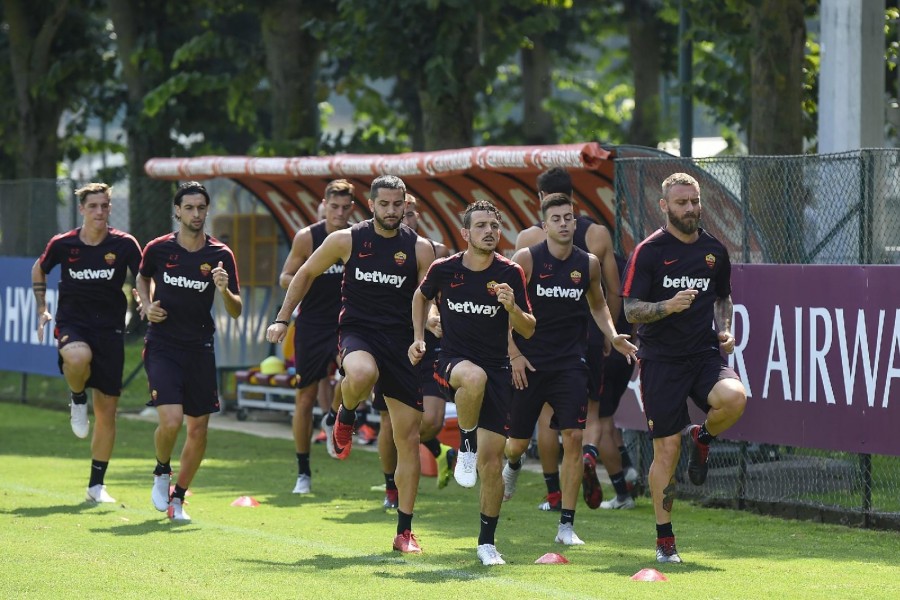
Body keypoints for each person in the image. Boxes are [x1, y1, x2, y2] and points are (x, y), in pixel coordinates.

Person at [267, 175, 435, 554]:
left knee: (407, 438)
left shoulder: (421, 249)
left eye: (398, 204)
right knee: (360, 373)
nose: (392, 211)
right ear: (371, 205)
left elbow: (428, 296)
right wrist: (282, 318)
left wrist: (429, 323)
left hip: (403, 344)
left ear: (406, 204)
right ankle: (345, 414)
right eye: (385, 204)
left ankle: (405, 532)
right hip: (358, 333)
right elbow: (305, 273)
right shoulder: (346, 240)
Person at [621, 172, 746, 563]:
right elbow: (630, 309)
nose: (690, 208)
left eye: (694, 201)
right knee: (667, 450)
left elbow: (723, 297)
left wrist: (724, 328)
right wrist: (666, 307)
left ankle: (704, 437)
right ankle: (665, 541)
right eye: (681, 203)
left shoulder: (714, 251)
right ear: (664, 207)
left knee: (735, 398)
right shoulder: (649, 251)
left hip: (704, 356)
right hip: (660, 362)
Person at [502, 193, 637, 546]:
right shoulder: (526, 260)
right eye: (556, 218)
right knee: (515, 445)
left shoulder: (588, 263)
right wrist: (514, 352)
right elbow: (505, 312)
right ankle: (513, 466)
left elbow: (598, 305)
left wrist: (612, 335)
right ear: (544, 225)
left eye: (569, 217)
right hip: (529, 363)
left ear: (575, 224)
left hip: (569, 364)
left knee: (573, 438)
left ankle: (566, 526)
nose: (564, 223)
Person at [410, 199, 535, 566]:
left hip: (497, 371)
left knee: (493, 462)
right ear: (466, 233)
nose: (489, 232)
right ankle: (465, 443)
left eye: (494, 226)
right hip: (453, 362)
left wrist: (513, 309)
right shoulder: (444, 269)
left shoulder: (511, 273)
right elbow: (420, 296)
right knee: (473, 377)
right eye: (481, 226)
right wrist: (419, 335)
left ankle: (486, 543)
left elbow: (529, 328)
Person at [514, 167, 624, 512]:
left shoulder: (526, 239)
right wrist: (610, 333)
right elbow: (615, 292)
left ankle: (554, 493)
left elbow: (516, 301)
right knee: (588, 415)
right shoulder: (600, 234)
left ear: (539, 197)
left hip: (548, 337)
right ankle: (590, 459)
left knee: (550, 417)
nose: (562, 224)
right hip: (588, 334)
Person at [137, 181, 243, 522]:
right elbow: (141, 278)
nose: (196, 214)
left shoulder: (220, 255)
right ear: (177, 212)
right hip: (163, 344)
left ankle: (178, 499)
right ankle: (161, 470)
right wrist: (146, 304)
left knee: (198, 429)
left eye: (201, 208)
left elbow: (237, 310)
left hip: (200, 347)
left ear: (206, 210)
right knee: (170, 420)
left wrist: (225, 291)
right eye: (189, 208)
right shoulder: (157, 249)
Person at [31, 183, 142, 504]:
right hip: (73, 323)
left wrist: (142, 296)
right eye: (93, 206)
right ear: (82, 209)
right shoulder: (63, 244)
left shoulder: (124, 244)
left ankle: (96, 486)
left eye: (105, 206)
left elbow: (143, 274)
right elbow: (39, 267)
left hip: (110, 330)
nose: (100, 212)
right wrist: (42, 308)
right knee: (77, 358)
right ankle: (77, 397)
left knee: (107, 412)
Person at [376, 194, 455, 509]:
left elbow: (436, 297)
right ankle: (391, 488)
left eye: (408, 213)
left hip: (428, 344)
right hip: (392, 344)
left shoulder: (437, 253)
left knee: (432, 420)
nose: (403, 218)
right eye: (397, 212)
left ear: (417, 216)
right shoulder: (375, 252)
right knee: (389, 422)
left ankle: (437, 449)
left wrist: (436, 320)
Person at [278, 179, 355, 494]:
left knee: (355, 375)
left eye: (345, 207)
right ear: (323, 205)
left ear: (352, 208)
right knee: (304, 398)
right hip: (311, 325)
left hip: (346, 325)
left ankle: (334, 415)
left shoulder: (357, 237)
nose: (338, 212)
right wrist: (307, 275)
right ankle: (303, 472)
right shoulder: (307, 237)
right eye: (333, 206)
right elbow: (285, 276)